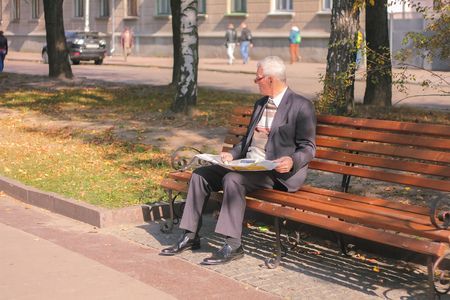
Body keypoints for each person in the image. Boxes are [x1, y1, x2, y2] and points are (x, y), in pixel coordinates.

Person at [160, 56, 317, 265]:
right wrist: (232, 155)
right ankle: (190, 236)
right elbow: (247, 140)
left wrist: (292, 160)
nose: (255, 81)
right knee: (200, 175)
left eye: (258, 78)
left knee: (233, 179)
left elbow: (308, 147)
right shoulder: (261, 104)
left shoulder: (301, 106)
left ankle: (233, 245)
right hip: (248, 166)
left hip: (275, 171)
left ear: (270, 80)